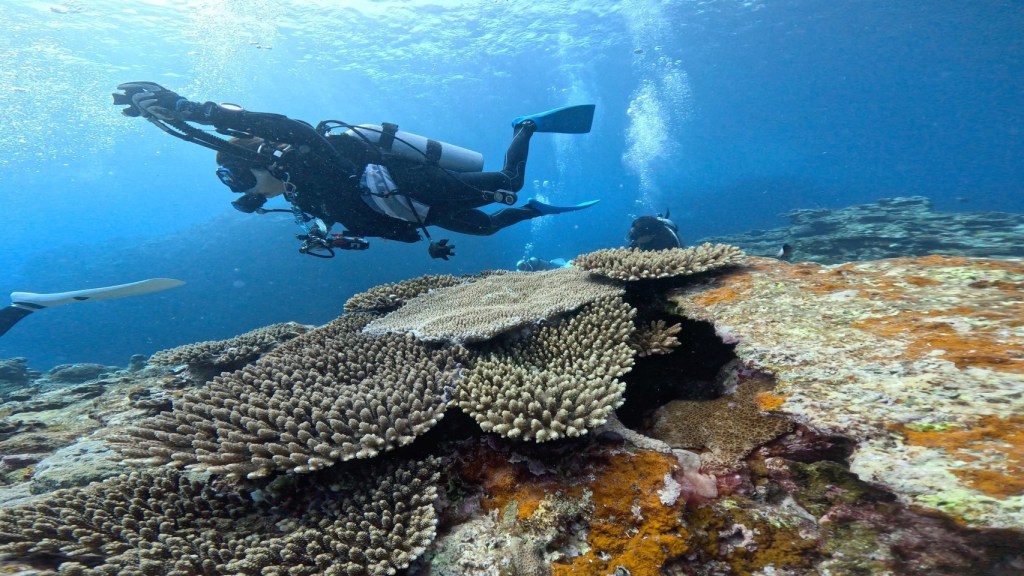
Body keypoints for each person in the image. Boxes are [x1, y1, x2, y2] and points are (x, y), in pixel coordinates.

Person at [113, 82, 599, 260]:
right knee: (488, 228)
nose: (241, 189)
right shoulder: (300, 196)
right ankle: (536, 210)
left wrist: (199, 111)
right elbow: (362, 225)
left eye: (237, 176)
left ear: (258, 161)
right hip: (416, 214)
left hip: (414, 184)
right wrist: (347, 239)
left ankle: (526, 125)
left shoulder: (305, 158)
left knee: (507, 183)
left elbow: (293, 127)